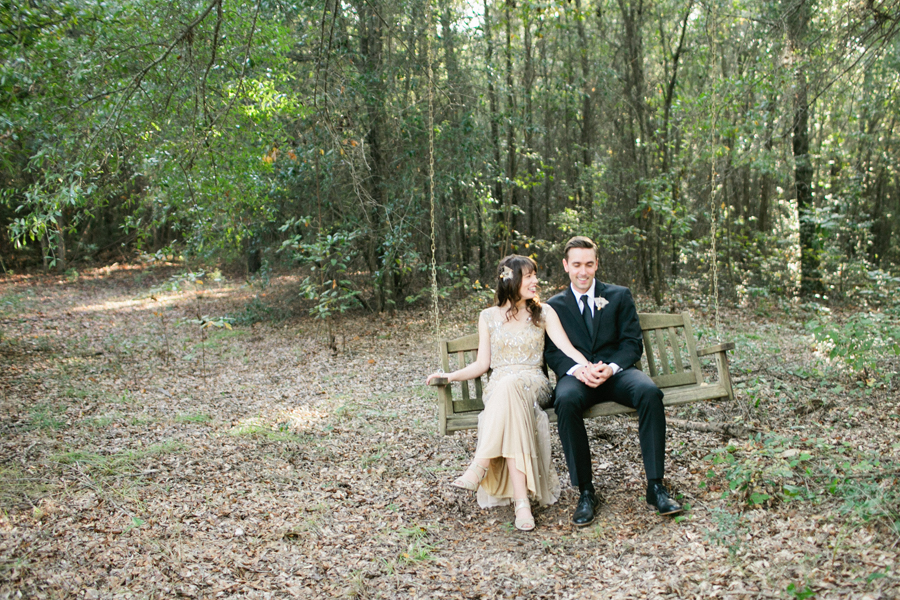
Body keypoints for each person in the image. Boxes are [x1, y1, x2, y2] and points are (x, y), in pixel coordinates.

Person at [427, 255, 591, 531]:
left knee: (512, 385)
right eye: (529, 276)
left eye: (535, 276)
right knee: (507, 392)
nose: (536, 281)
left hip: (533, 384)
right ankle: (522, 503)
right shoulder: (488, 317)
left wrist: (588, 366)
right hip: (501, 388)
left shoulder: (544, 313)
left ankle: (480, 464)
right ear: (511, 280)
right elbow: (482, 364)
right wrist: (450, 376)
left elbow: (566, 348)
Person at [544, 236, 683, 527]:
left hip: (616, 374)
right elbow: (552, 352)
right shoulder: (553, 306)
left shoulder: (619, 295)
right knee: (565, 401)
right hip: (578, 378)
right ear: (566, 265)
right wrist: (576, 370)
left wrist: (611, 367)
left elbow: (632, 343)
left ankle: (655, 486)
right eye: (577, 264)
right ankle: (585, 492)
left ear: (597, 264)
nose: (584, 271)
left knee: (649, 393)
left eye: (590, 264)